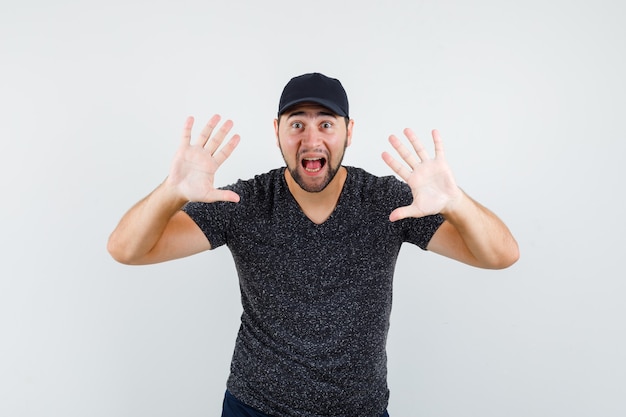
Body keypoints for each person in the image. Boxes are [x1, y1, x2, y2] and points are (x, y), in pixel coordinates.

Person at [107, 72, 519, 417]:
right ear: (277, 132)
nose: (311, 138)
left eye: (326, 123)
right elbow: (127, 249)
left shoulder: (387, 202)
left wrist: (458, 203)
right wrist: (171, 192)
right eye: (297, 123)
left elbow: (501, 256)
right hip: (255, 408)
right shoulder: (243, 203)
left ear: (348, 132)